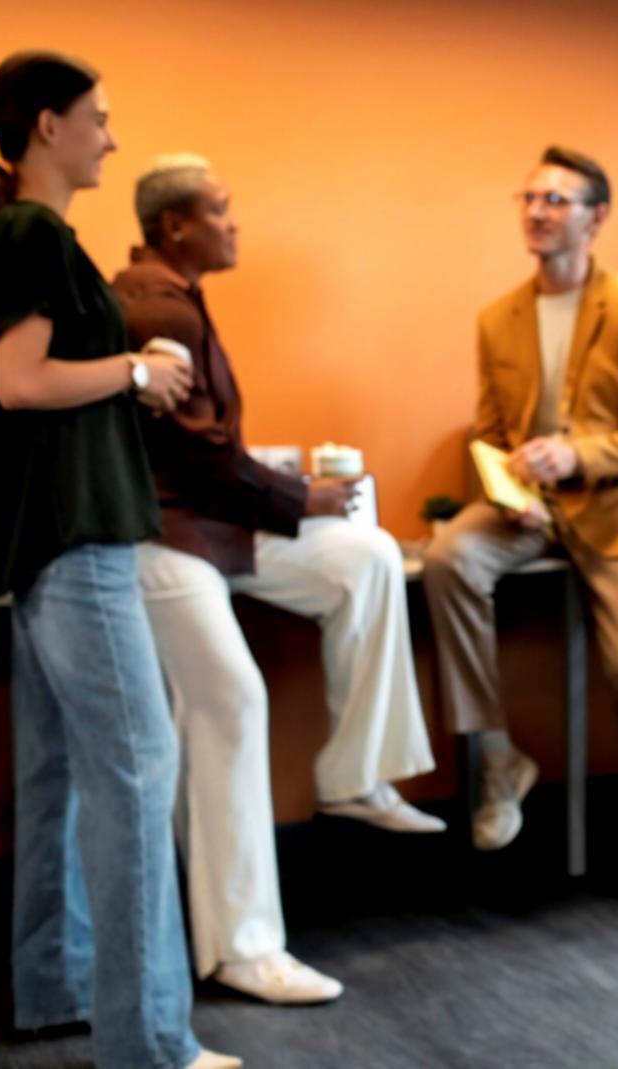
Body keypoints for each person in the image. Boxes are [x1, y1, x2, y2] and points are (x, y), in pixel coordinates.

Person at [0, 52, 238, 1069]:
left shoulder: (19, 235)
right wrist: (137, 366)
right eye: (99, 118)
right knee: (135, 771)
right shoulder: (32, 232)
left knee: (63, 773)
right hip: (79, 543)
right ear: (44, 126)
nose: (112, 137)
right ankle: (149, 1041)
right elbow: (19, 382)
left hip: (44, 547)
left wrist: (123, 378)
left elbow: (27, 381)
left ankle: (58, 988)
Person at [111, 154, 441, 1005]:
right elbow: (199, 457)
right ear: (177, 224)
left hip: (213, 527)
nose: (235, 222)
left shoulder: (180, 296)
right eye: (221, 209)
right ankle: (243, 946)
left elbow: (210, 457)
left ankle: (354, 773)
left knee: (366, 556)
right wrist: (304, 494)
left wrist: (305, 503)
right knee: (230, 702)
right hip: (164, 538)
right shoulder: (156, 306)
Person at [421, 146, 618, 895]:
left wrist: (575, 457)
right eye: (529, 198)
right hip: (525, 508)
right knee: (447, 559)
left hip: (615, 512)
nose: (537, 211)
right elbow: (489, 429)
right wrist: (512, 482)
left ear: (596, 217)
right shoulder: (496, 318)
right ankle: (497, 755)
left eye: (556, 200)